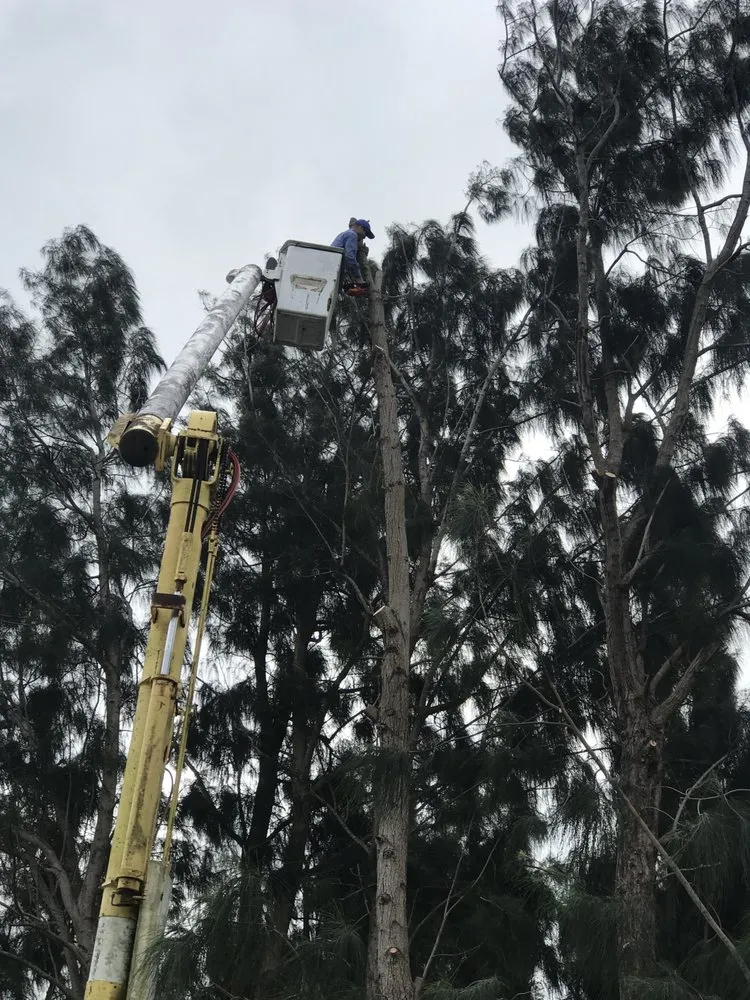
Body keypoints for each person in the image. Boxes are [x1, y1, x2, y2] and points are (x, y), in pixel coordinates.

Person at [331, 218, 375, 287]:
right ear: (360, 228)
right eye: (365, 233)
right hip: (333, 266)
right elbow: (350, 257)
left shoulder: (344, 234)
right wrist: (358, 277)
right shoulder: (352, 235)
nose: (364, 237)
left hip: (332, 266)